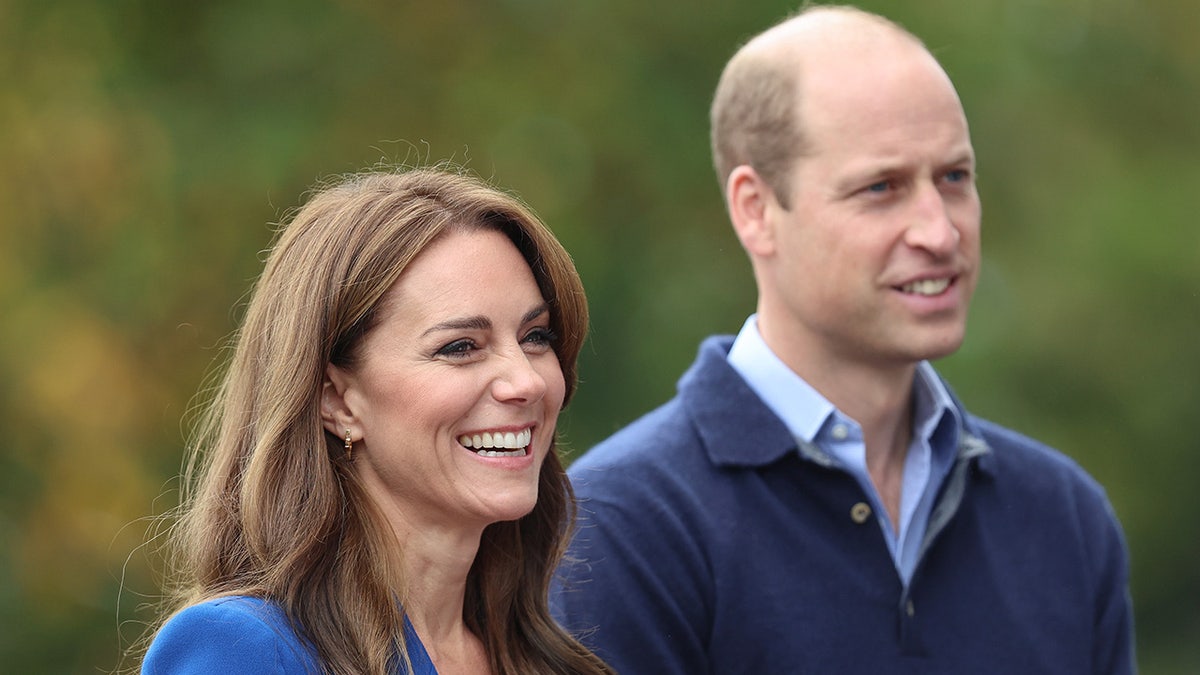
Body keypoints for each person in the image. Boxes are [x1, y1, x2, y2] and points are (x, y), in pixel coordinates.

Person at [551, 5, 1135, 674]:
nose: (940, 232)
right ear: (757, 210)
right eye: (881, 187)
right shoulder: (623, 526)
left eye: (954, 177)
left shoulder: (1064, 520)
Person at [140, 167, 614, 675]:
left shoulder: (555, 661)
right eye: (460, 348)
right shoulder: (245, 652)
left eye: (535, 337)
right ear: (337, 401)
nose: (527, 382)